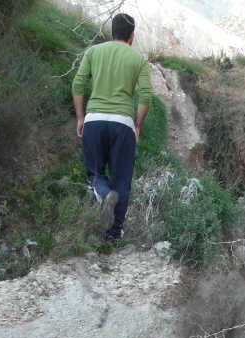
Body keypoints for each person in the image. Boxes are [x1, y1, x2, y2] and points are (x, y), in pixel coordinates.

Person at [72, 12, 152, 243]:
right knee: (122, 181)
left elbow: (78, 83)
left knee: (95, 174)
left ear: (112, 31)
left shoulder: (93, 52)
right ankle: (114, 234)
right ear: (131, 36)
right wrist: (137, 125)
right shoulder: (138, 59)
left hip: (94, 120)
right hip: (122, 123)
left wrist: (80, 117)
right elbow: (146, 96)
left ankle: (104, 194)